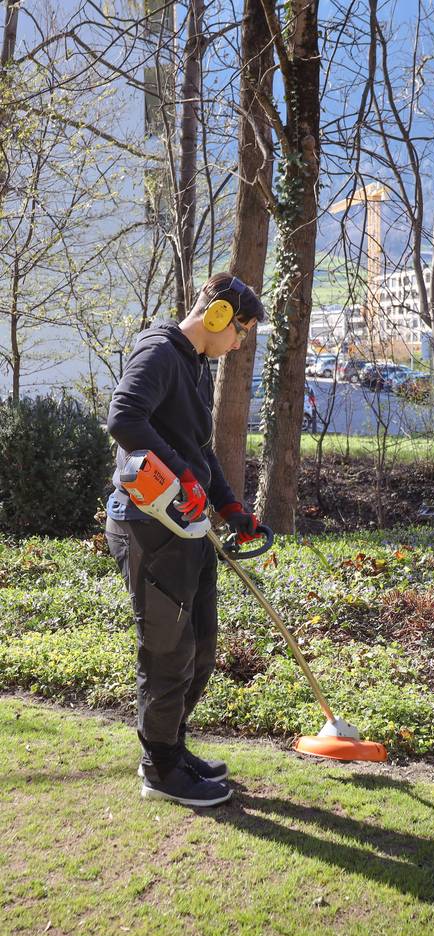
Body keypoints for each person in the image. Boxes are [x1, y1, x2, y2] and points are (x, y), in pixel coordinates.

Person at [105, 272, 265, 808]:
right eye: (241, 330)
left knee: (200, 646)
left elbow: (199, 449)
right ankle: (160, 769)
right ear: (218, 316)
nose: (240, 343)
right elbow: (123, 418)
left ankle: (171, 747)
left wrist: (229, 505)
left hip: (188, 526)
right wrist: (180, 477)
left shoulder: (195, 366)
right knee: (167, 651)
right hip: (150, 526)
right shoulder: (159, 352)